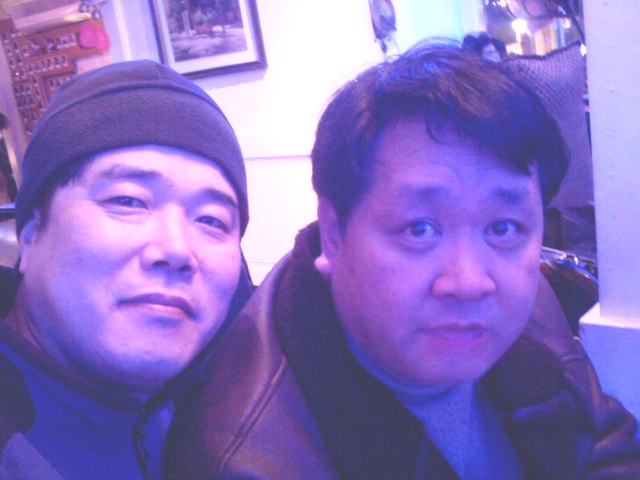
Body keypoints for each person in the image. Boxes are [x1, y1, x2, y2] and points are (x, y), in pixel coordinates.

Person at [164, 42, 640, 479]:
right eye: (420, 229)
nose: (469, 282)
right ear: (333, 236)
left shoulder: (530, 298)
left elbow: (602, 441)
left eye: (503, 228)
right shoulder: (246, 461)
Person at [0, 59, 251, 479]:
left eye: (211, 220)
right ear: (30, 232)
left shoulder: (240, 401)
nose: (176, 249)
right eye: (128, 201)